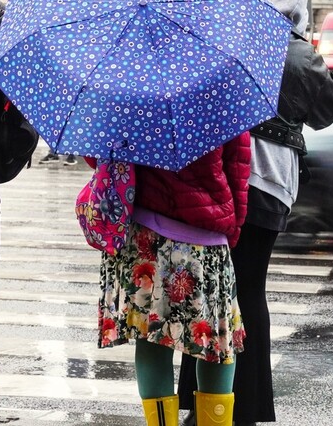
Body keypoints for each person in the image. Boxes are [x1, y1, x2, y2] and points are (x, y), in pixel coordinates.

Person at [177, 0, 333, 426]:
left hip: (220, 180)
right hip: (270, 185)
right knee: (249, 290)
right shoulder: (300, 55)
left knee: (208, 290)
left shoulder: (230, 42)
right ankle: (247, 406)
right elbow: (328, 113)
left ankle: (197, 401)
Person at [93, 131, 251, 426]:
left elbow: (97, 156)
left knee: (153, 338)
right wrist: (232, 230)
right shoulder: (225, 92)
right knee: (218, 341)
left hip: (146, 233)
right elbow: (238, 170)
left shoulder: (131, 90)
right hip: (207, 234)